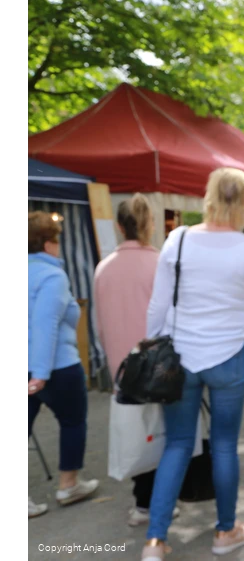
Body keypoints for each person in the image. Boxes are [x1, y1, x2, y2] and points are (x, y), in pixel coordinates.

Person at [141, 168, 244, 561]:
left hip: (178, 358)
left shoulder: (177, 239)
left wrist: (150, 353)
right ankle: (225, 531)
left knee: (178, 445)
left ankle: (155, 540)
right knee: (225, 446)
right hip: (229, 358)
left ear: (209, 197)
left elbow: (158, 305)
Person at [94, 194, 182, 527]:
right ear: (150, 224)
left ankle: (143, 501)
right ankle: (155, 502)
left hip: (123, 366)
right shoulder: (160, 264)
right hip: (160, 364)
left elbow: (100, 325)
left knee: (138, 434)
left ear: (119, 226)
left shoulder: (104, 268)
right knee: (162, 433)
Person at [27, 211, 100, 518]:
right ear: (48, 244)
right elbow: (46, 324)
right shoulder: (52, 276)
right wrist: (41, 375)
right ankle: (68, 484)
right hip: (56, 367)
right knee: (72, 422)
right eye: (56, 239)